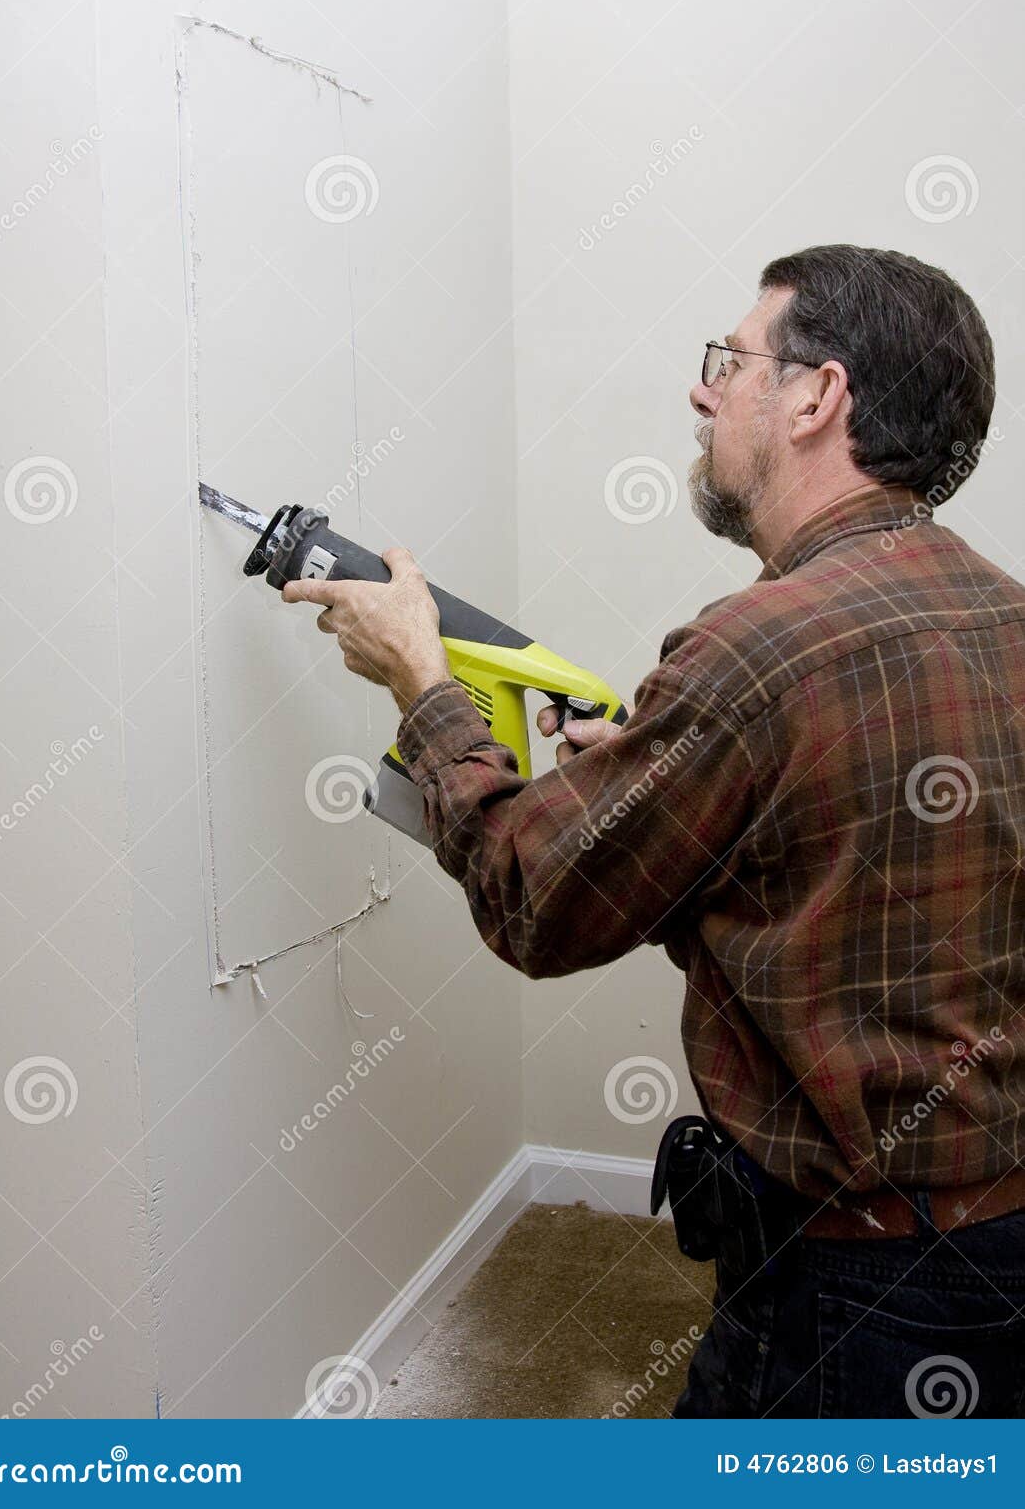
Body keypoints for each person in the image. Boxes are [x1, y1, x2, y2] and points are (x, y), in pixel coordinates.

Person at [283, 244, 1025, 1418]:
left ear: (815, 397)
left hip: (850, 1288)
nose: (702, 390)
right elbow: (852, 866)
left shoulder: (756, 647)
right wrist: (668, 781)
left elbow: (534, 903)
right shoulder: (999, 609)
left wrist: (420, 677)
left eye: (729, 361)